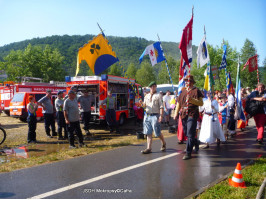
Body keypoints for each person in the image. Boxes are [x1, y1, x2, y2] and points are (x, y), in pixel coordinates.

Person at [174, 75, 204, 160]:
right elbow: (179, 104)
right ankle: (196, 142)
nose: (187, 82)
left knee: (190, 133)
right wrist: (176, 113)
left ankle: (188, 153)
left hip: (192, 114)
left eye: (189, 81)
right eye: (186, 81)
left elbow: (201, 103)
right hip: (183, 114)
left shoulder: (196, 91)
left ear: (192, 82)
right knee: (187, 133)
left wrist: (192, 100)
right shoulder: (183, 92)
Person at [139, 81, 166, 154]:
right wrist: (141, 104)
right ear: (149, 88)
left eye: (154, 86)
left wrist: (161, 115)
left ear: (156, 87)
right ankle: (149, 148)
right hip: (147, 115)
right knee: (148, 133)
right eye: (151, 87)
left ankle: (163, 142)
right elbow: (144, 106)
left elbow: (161, 106)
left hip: (155, 116)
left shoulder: (158, 95)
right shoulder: (146, 96)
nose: (152, 88)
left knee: (157, 133)